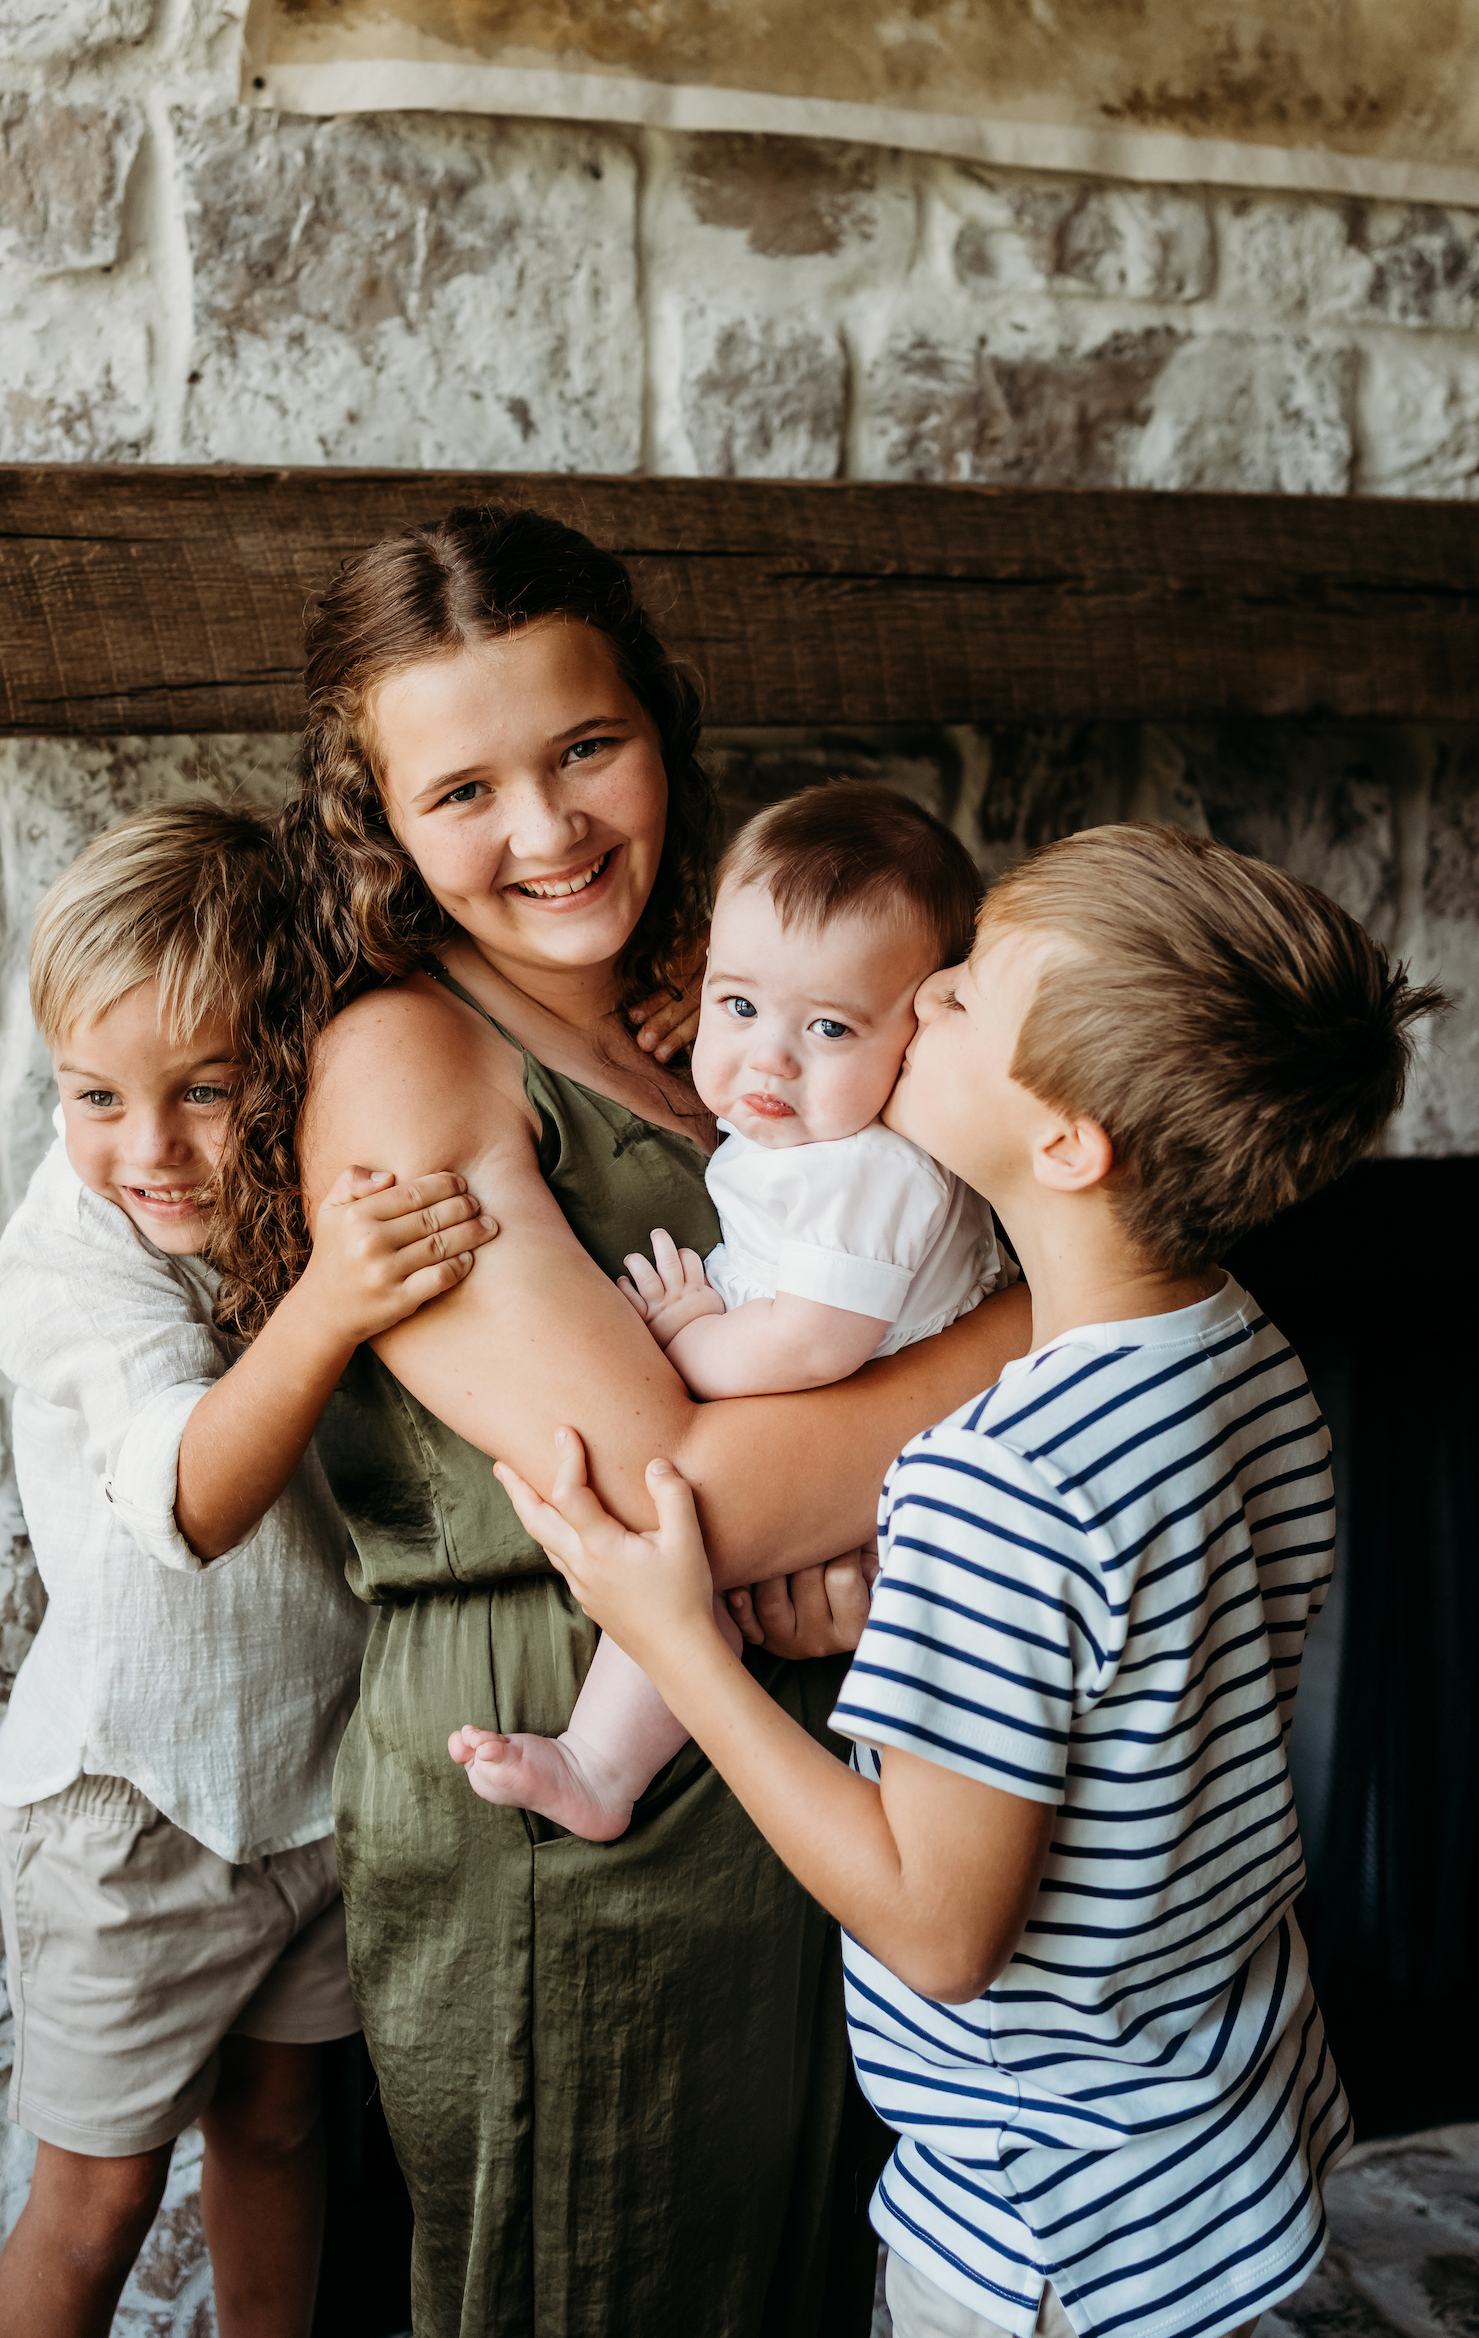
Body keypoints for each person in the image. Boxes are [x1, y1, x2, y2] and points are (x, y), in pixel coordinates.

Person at [211, 508, 1034, 2338]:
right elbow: (670, 1498)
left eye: (585, 747)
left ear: (656, 725)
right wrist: (1039, 1326)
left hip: (794, 1773)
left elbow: (828, 1367)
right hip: (572, 1807)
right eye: (463, 791)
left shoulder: (715, 1029)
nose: (548, 830)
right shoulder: (407, 1058)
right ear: (378, 821)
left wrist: (877, 1516)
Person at [496, 822, 1447, 2338]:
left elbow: (939, 1933)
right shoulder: (1244, 1351)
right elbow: (1145, 1675)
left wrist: (679, 1649)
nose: (916, 998)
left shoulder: (990, 1478)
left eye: (958, 998)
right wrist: (909, 1635)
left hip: (1039, 2227)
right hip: (1220, 2143)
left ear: (1065, 1139)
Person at [0, 803, 497, 2338]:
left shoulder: (303, 1184)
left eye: (206, 1090)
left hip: (318, 1787)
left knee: (280, 2134)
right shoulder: (77, 1254)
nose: (150, 1149)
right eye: (96, 1097)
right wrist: (328, 1305)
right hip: (131, 1807)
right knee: (96, 2203)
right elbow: (188, 1495)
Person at [450, 782, 1006, 1843]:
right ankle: (598, 1766)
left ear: (917, 1032)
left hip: (882, 1481)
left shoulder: (872, 1171)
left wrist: (691, 1341)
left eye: (829, 1026)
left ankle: (602, 1768)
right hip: (833, 1448)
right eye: (737, 1005)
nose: (767, 1059)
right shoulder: (802, 1126)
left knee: (686, 1558)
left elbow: (810, 1340)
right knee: (683, 1588)